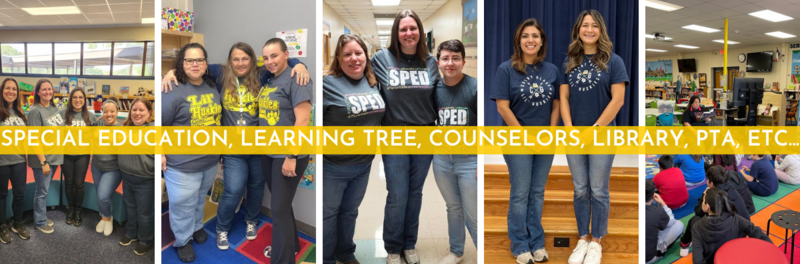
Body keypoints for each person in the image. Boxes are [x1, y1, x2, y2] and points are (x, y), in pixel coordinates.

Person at [370, 9, 440, 264]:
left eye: (413, 28)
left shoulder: (431, 62)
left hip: (424, 133)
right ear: (396, 33)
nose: (408, 33)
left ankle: (409, 244)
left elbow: (438, 97)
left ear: (420, 32)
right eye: (403, 29)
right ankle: (392, 247)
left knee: (415, 193)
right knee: (398, 193)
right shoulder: (381, 58)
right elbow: (352, 72)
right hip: (394, 134)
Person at [559, 10, 628, 264]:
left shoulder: (614, 61)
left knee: (598, 190)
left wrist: (594, 130)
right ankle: (582, 238)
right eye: (585, 25)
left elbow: (618, 100)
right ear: (578, 30)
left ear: (601, 30)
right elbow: (564, 97)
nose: (589, 29)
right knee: (580, 189)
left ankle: (597, 240)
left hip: (602, 134)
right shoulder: (569, 61)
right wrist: (568, 128)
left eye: (594, 26)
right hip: (574, 135)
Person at [490, 18, 561, 264]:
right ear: (518, 41)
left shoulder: (551, 70)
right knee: (520, 193)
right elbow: (502, 107)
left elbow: (556, 104)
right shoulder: (506, 69)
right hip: (516, 139)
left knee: (538, 192)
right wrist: (524, 136)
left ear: (542, 41)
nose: (530, 40)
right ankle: (520, 244)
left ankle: (537, 243)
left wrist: (550, 133)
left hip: (545, 141)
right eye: (525, 36)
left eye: (535, 36)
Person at [322, 34, 385, 264]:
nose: (354, 59)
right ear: (338, 58)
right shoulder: (327, 84)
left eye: (358, 53)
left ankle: (345, 251)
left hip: (364, 164)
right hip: (333, 166)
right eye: (347, 54)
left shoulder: (373, 81)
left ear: (365, 56)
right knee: (328, 215)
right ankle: (327, 258)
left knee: (350, 212)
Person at [161, 42, 223, 263]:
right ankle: (183, 240)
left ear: (206, 63)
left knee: (199, 200)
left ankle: (196, 227)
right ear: (181, 63)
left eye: (199, 60)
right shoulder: (171, 89)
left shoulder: (212, 85)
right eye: (189, 60)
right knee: (182, 206)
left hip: (209, 161)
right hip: (182, 164)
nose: (195, 64)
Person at [258, 38, 313, 264]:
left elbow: (302, 121)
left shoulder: (297, 78)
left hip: (288, 154)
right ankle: (293, 245)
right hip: (268, 153)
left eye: (275, 56)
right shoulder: (269, 79)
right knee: (282, 205)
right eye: (266, 57)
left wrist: (291, 156)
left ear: (286, 55)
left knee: (278, 212)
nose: (270, 61)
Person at [433, 39, 478, 264]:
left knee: (473, 213)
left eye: (455, 58)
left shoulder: (474, 88)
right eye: (445, 58)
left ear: (463, 60)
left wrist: (481, 160)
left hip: (469, 160)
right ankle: (457, 251)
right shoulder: (434, 90)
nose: (450, 63)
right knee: (453, 207)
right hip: (442, 160)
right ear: (438, 62)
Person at [679, 165, 750, 257]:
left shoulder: (714, 195)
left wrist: (704, 195)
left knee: (694, 220)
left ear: (712, 183)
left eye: (708, 180)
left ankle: (684, 245)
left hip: (726, 241)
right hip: (742, 234)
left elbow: (698, 211)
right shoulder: (731, 187)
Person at [691, 187, 771, 264]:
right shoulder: (736, 218)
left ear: (707, 206)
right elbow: (756, 231)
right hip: (735, 260)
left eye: (703, 200)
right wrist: (773, 250)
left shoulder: (697, 227)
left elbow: (698, 260)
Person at [118, 98, 155, 255]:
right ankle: (131, 232)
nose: (137, 113)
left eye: (141, 110)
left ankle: (145, 239)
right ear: (130, 112)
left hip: (145, 180)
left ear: (149, 113)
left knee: (144, 213)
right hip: (127, 177)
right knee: (131, 208)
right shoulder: (125, 128)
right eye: (134, 110)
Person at [28, 78, 65, 234]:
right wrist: (43, 161)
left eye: (49, 89)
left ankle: (41, 215)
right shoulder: (35, 111)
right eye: (43, 89)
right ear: (38, 92)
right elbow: (33, 138)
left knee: (45, 190)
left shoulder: (53, 108)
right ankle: (40, 221)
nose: (47, 92)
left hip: (55, 157)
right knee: (42, 191)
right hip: (43, 159)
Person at [60, 87, 97, 227]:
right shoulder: (63, 113)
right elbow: (48, 124)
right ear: (70, 100)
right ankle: (70, 208)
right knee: (68, 182)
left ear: (84, 100)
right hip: (66, 155)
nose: (78, 100)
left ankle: (78, 209)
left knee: (79, 183)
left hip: (83, 155)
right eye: (75, 97)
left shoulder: (90, 116)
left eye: (80, 97)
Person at [0, 78, 29, 242]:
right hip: (2, 161)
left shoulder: (20, 112)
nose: (11, 91)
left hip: (19, 160)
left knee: (20, 194)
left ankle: (17, 223)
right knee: (1, 195)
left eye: (14, 89)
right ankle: (2, 226)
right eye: (7, 88)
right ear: (2, 90)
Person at [91, 97, 122, 236]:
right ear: (102, 112)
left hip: (113, 169)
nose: (109, 114)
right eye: (105, 111)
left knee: (103, 195)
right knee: (99, 194)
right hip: (96, 166)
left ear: (117, 112)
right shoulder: (98, 124)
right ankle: (104, 216)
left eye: (112, 111)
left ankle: (108, 218)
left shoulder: (122, 129)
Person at [645, 180, 684, 264]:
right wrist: (663, 203)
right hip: (648, 257)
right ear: (653, 196)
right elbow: (671, 221)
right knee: (679, 224)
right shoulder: (657, 211)